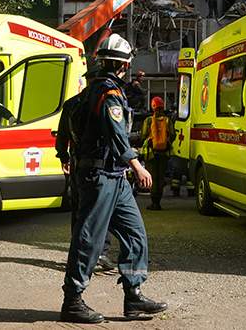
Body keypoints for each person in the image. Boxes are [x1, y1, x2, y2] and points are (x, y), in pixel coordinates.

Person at [61, 34, 167, 324]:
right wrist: (137, 165)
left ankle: (133, 296)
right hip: (100, 177)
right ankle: (72, 301)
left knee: (135, 234)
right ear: (124, 66)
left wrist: (63, 155)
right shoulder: (108, 95)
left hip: (113, 177)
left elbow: (67, 124)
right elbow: (116, 134)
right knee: (89, 238)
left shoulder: (87, 94)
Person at [55, 86, 115, 272]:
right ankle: (101, 252)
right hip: (101, 167)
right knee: (102, 210)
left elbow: (62, 134)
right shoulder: (104, 102)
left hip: (78, 164)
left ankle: (78, 253)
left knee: (79, 210)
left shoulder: (71, 104)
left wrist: (63, 156)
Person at [140, 97, 173, 211]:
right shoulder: (167, 120)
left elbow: (143, 135)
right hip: (164, 154)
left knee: (153, 177)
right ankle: (158, 201)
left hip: (151, 154)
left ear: (152, 107)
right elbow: (172, 135)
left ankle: (154, 202)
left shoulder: (148, 120)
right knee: (160, 177)